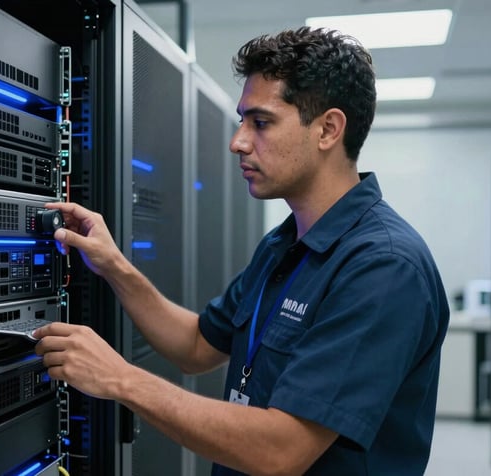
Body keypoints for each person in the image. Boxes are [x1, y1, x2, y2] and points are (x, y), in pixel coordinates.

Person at [33, 26, 450, 475]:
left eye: (262, 122)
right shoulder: (284, 246)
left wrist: (121, 380)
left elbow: (281, 450)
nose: (238, 142)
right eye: (242, 121)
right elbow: (196, 345)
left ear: (328, 129)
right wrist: (114, 266)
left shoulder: (383, 266)